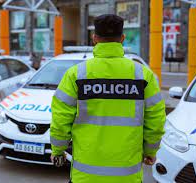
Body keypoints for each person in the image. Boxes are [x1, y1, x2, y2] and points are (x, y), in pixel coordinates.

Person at [50, 14, 166, 183]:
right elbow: (155, 120)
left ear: (94, 38)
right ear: (123, 39)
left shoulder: (76, 74)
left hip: (85, 175)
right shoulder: (142, 75)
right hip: (127, 175)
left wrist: (58, 151)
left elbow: (60, 118)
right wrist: (150, 151)